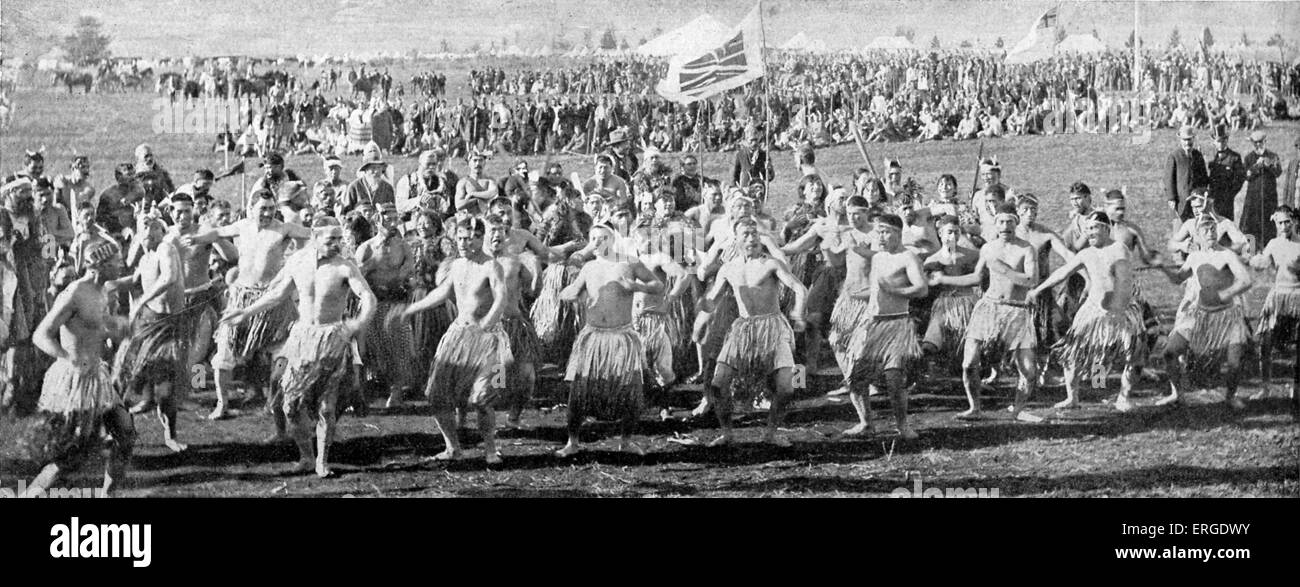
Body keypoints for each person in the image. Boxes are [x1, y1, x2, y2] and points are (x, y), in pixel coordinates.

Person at [220, 218, 376, 477]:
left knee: (327, 406)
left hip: (332, 339)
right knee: (289, 405)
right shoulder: (298, 261)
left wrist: (358, 323)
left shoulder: (345, 267)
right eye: (330, 239)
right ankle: (306, 456)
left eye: (339, 239)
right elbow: (277, 294)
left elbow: (368, 297)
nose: (337, 244)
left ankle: (322, 462)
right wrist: (245, 312)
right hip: (301, 338)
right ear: (315, 236)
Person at [181, 191, 311, 421]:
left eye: (271, 208)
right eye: (263, 208)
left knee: (280, 353)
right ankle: (222, 404)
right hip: (240, 299)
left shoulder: (283, 229)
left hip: (272, 299)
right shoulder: (242, 226)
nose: (268, 213)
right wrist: (197, 239)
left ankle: (277, 401)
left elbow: (310, 236)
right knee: (223, 355)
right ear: (252, 208)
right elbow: (218, 232)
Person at [18, 241, 134, 497]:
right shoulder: (73, 293)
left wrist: (116, 328)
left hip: (97, 376)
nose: (121, 264)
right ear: (100, 266)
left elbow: (95, 326)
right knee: (71, 456)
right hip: (75, 381)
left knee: (125, 434)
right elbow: (41, 335)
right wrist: (69, 360)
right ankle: (29, 495)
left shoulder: (104, 289)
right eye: (116, 261)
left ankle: (108, 494)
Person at [404, 216, 509, 464]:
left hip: (491, 340)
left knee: (483, 399)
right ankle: (452, 447)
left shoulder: (492, 266)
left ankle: (491, 450)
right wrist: (413, 308)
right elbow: (443, 292)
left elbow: (501, 298)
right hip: (457, 336)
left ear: (479, 238)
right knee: (436, 395)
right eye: (459, 238)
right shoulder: (458, 264)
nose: (461, 243)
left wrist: (486, 325)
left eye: (467, 238)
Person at [556, 223, 663, 456]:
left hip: (621, 337)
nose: (598, 242)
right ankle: (572, 442)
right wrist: (568, 294)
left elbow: (658, 285)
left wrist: (634, 285)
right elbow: (571, 291)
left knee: (632, 390)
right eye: (593, 238)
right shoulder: (589, 267)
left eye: (603, 237)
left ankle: (626, 441)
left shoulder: (629, 262)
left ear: (612, 240)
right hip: (593, 337)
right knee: (579, 390)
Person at [697, 218, 804, 447]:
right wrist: (701, 317)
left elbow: (799, 287)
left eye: (754, 234)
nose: (751, 238)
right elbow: (712, 301)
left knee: (788, 386)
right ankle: (727, 434)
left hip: (773, 327)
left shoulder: (771, 264)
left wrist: (798, 313)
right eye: (745, 234)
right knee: (718, 384)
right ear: (735, 240)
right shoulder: (728, 268)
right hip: (743, 329)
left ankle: (771, 434)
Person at [1030, 212, 1145, 412]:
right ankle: (1073, 397)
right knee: (1072, 354)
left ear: (1106, 229)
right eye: (1088, 228)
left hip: (1120, 308)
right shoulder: (1086, 254)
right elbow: (1062, 273)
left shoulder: (1119, 249)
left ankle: (1123, 397)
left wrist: (1117, 309)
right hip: (1093, 308)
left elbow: (1124, 282)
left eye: (1095, 228)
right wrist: (1038, 290)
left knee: (1134, 354)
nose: (1090, 232)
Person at [953, 203, 1044, 422]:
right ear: (995, 225)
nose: (1006, 226)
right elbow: (976, 278)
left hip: (1017, 311)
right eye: (1001, 222)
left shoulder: (1026, 249)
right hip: (988, 309)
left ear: (1016, 223)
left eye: (1010, 222)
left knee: (1029, 370)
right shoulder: (988, 249)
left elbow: (1032, 280)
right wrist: (943, 280)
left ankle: (1018, 410)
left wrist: (1005, 270)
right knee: (968, 363)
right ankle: (975, 408)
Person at [110, 217, 190, 451]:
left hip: (168, 327)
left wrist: (141, 300)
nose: (150, 232)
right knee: (125, 379)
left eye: (155, 228)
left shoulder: (166, 248)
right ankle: (115, 430)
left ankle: (170, 435)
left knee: (165, 390)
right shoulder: (145, 258)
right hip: (146, 323)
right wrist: (108, 285)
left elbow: (169, 277)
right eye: (145, 228)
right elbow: (133, 280)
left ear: (162, 232)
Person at [844, 213, 927, 439]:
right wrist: (862, 296)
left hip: (897, 323)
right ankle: (866, 422)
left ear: (898, 234)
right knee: (856, 378)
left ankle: (903, 426)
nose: (880, 236)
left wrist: (895, 291)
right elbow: (876, 290)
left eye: (886, 232)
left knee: (893, 378)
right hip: (872, 324)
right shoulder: (878, 257)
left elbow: (922, 288)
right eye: (878, 231)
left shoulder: (908, 258)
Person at [1159, 213, 1254, 409]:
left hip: (1227, 315)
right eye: (1205, 230)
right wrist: (1161, 266)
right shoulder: (1194, 256)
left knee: (1234, 360)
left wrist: (1224, 294)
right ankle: (1178, 393)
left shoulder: (1227, 254)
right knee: (1169, 352)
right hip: (1199, 315)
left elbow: (1246, 280)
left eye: (1212, 228)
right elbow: (1178, 278)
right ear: (1196, 237)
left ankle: (1230, 395)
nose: (1210, 232)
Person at [354, 202, 416, 409]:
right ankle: (360, 394)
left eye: (393, 218)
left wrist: (400, 278)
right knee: (367, 350)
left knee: (398, 349)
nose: (390, 222)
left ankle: (396, 393)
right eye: (386, 218)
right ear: (377, 220)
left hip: (395, 303)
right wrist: (373, 262)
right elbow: (355, 275)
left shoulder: (403, 246)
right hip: (373, 304)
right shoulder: (367, 247)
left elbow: (408, 269)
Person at [1247, 207, 1300, 415]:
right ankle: (1265, 387)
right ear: (1275, 224)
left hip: (1297, 298)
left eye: (1287, 222)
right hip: (1277, 298)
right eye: (1280, 223)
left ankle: (1296, 389)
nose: (1284, 226)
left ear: (1294, 222)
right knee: (1266, 343)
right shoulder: (1273, 244)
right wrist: (1250, 251)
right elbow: (1261, 265)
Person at [921, 215, 981, 374]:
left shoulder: (972, 255)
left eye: (956, 232)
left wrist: (945, 278)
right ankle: (926, 369)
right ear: (940, 233)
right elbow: (927, 286)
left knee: (970, 342)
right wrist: (931, 281)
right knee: (933, 338)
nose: (953, 236)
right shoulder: (932, 259)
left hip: (968, 302)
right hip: (944, 304)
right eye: (949, 232)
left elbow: (979, 279)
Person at [1240, 130, 1284, 245]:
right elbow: (1246, 175)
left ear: (1265, 141)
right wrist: (1256, 166)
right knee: (1251, 225)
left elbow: (1278, 172)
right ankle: (1253, 250)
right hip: (1253, 199)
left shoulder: (1273, 156)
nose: (1257, 145)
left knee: (1269, 225)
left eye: (1260, 142)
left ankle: (1268, 250)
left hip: (1269, 198)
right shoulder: (1249, 157)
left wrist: (1268, 165)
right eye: (1254, 142)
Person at [1165, 124, 1209, 221]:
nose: (1187, 143)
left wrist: (1202, 193)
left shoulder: (1198, 155)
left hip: (1196, 200)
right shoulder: (1174, 156)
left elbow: (1204, 177)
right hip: (1181, 201)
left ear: (1193, 139)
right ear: (1180, 140)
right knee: (1180, 227)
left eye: (1189, 140)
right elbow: (1169, 179)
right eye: (1184, 140)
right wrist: (1171, 198)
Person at [395, 149, 453, 216]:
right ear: (420, 164)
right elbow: (399, 206)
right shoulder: (407, 180)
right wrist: (419, 200)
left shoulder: (441, 182)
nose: (431, 167)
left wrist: (439, 202)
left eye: (434, 164)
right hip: (411, 221)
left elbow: (447, 206)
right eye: (428, 164)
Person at [1207, 125, 1247, 220]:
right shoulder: (1212, 157)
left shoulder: (1234, 157)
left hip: (1226, 199)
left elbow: (1240, 178)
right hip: (1213, 197)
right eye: (1218, 141)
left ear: (1227, 140)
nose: (1221, 144)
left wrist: (1230, 194)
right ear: (1214, 142)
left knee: (1226, 225)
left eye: (1223, 141)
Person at [342, 150, 395, 214]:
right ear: (365, 170)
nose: (376, 171)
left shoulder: (388, 188)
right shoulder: (354, 187)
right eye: (373, 168)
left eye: (379, 168)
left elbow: (392, 211)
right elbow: (346, 212)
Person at [454, 149, 500, 215]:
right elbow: (458, 205)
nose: (478, 163)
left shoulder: (490, 180)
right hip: (470, 217)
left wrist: (473, 194)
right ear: (469, 163)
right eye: (475, 160)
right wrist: (476, 201)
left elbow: (493, 192)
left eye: (480, 160)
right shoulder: (463, 182)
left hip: (487, 216)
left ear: (484, 163)